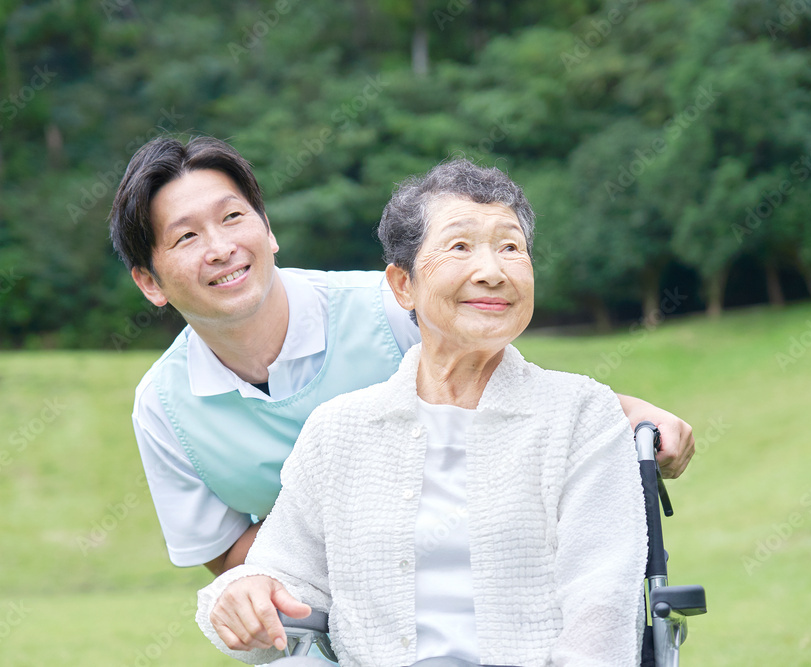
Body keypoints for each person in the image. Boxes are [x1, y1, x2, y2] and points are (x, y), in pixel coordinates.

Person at [109, 135, 694, 577]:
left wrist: (627, 411)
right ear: (150, 282)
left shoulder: (390, 306)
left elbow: (516, 395)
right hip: (324, 625)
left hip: (480, 585)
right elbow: (231, 559)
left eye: (234, 217)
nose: (221, 248)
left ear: (269, 229)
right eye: (186, 237)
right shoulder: (163, 410)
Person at [197, 159, 648, 666]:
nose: (493, 272)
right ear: (402, 285)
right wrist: (240, 593)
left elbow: (602, 605)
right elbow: (281, 575)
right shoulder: (339, 431)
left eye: (511, 248)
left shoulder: (582, 415)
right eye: (459, 246)